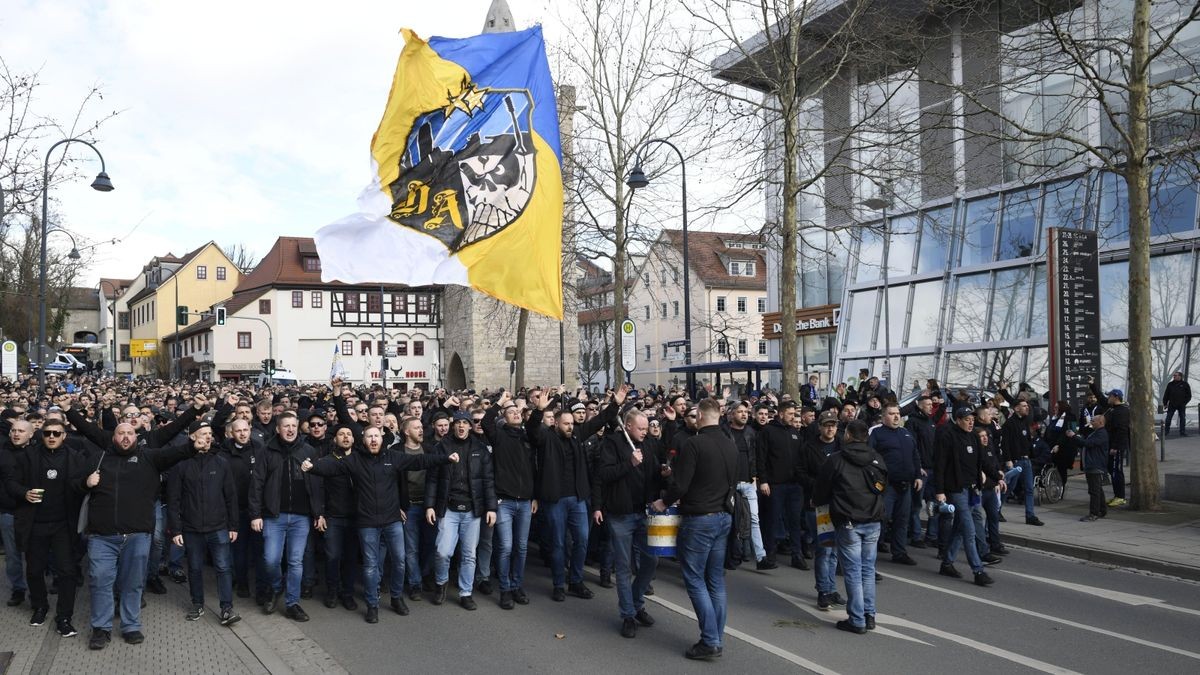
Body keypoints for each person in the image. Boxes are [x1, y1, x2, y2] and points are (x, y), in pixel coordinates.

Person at [74, 416, 203, 650]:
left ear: (137, 437)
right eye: (121, 433)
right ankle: (101, 628)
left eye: (130, 433)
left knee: (132, 583)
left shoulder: (149, 458)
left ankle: (130, 625)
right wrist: (86, 483)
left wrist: (193, 446)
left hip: (137, 536)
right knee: (100, 581)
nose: (125, 437)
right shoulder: (98, 458)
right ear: (113, 438)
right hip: (102, 537)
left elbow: (175, 454)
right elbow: (74, 485)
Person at [303, 425, 454, 622]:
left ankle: (396, 598)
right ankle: (372, 604)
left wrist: (445, 458)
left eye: (376, 436)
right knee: (370, 566)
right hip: (367, 523)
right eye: (369, 437)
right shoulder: (354, 460)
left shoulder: (393, 457)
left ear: (382, 439)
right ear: (364, 440)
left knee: (400, 562)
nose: (373, 440)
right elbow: (332, 467)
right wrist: (312, 467)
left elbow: (419, 460)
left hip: (392, 520)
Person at [652, 398, 736, 661]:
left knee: (695, 579)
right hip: (723, 516)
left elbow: (681, 485)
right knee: (715, 581)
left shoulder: (695, 444)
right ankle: (716, 638)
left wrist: (662, 501)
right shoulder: (730, 443)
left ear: (699, 415)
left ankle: (710, 640)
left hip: (700, 518)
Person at [527, 385, 625, 602]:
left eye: (572, 424)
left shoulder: (577, 436)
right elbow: (532, 430)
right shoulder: (546, 438)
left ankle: (576, 581)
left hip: (578, 498)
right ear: (556, 424)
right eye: (566, 424)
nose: (571, 427)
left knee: (581, 539)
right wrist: (538, 411)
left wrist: (616, 404)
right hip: (555, 499)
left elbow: (598, 422)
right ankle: (558, 584)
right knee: (559, 543)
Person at [5, 418, 88, 637]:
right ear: (41, 435)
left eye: (56, 433)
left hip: (63, 525)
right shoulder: (28, 456)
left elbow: (81, 486)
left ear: (64, 436)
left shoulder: (75, 458)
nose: (51, 437)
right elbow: (11, 482)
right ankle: (40, 606)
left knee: (67, 572)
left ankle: (64, 616)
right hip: (35, 524)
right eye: (47, 433)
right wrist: (24, 493)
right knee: (33, 570)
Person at [812, 420, 887, 634]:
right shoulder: (877, 459)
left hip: (848, 520)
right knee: (867, 569)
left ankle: (857, 619)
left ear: (848, 436)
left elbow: (821, 489)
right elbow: (883, 487)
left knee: (853, 570)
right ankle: (869, 614)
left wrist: (818, 502)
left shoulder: (836, 460)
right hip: (873, 519)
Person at [249, 412, 324, 622]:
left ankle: (292, 603)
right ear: (278, 429)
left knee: (295, 562)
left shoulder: (309, 450)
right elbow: (257, 484)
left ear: (299, 427)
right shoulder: (267, 451)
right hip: (274, 515)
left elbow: (317, 484)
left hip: (301, 517)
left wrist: (319, 513)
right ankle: (276, 586)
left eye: (293, 426)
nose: (290, 430)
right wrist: (256, 514)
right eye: (286, 426)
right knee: (271, 560)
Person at [166, 421, 241, 626]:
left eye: (210, 433)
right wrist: (176, 529)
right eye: (203, 433)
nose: (208, 437)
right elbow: (173, 500)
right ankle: (197, 603)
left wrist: (233, 526)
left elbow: (230, 497)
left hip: (218, 527)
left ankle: (227, 608)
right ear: (192, 437)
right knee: (195, 569)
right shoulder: (180, 464)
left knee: (224, 568)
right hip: (191, 529)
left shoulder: (221, 462)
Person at [597, 409, 662, 639]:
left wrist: (663, 473)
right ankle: (627, 614)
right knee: (624, 567)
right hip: (620, 515)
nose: (645, 432)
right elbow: (604, 474)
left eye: (646, 429)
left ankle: (636, 602)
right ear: (627, 426)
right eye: (641, 429)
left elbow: (653, 472)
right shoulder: (612, 443)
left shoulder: (649, 444)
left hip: (644, 512)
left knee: (651, 559)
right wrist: (629, 463)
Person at [425, 412, 495, 610]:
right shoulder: (442, 447)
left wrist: (491, 508)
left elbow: (488, 481)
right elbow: (432, 479)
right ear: (452, 426)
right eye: (458, 423)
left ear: (471, 426)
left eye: (465, 423)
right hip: (448, 509)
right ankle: (441, 584)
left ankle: (466, 592)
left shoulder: (480, 449)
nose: (462, 427)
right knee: (442, 551)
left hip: (473, 510)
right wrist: (430, 505)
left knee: (468, 555)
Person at [479, 391, 538, 609]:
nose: (515, 414)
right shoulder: (499, 435)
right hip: (504, 501)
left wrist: (534, 497)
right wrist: (500, 402)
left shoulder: (527, 437)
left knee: (521, 547)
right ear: (504, 416)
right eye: (510, 412)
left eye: (518, 412)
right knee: (505, 546)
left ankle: (516, 585)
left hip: (525, 501)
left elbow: (534, 468)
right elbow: (486, 421)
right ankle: (504, 588)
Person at [933, 407, 994, 588]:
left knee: (960, 527)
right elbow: (940, 464)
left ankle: (947, 563)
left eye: (972, 419)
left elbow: (982, 461)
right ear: (958, 419)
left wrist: (997, 476)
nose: (971, 422)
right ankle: (978, 570)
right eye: (967, 419)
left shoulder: (974, 436)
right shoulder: (948, 435)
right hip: (956, 489)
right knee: (969, 529)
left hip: (973, 488)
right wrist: (939, 490)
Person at [755, 400, 808, 571]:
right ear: (781, 413)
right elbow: (761, 457)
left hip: (794, 485)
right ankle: (770, 554)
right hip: (774, 485)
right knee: (772, 520)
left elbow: (801, 459)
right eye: (791, 414)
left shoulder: (795, 433)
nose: (794, 417)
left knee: (794, 521)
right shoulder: (768, 432)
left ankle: (797, 555)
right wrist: (763, 480)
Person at [867, 405, 921, 566]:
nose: (896, 417)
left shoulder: (906, 433)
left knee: (902, 520)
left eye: (898, 414)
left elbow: (914, 455)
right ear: (884, 417)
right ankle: (870, 554)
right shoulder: (876, 433)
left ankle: (899, 552)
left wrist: (917, 475)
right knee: (880, 520)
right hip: (886, 486)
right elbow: (870, 457)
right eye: (892, 414)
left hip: (906, 485)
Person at [1067, 414, 1109, 521]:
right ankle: (1102, 510)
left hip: (1095, 465)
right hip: (1092, 465)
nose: (1091, 423)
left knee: (1094, 491)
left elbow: (1088, 443)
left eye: (1093, 421)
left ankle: (1093, 514)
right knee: (1097, 489)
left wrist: (1074, 436)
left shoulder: (1101, 434)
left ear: (1100, 422)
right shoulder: (1096, 433)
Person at [1162, 372, 1191, 437]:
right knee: (1168, 418)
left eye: (1175, 375)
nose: (1174, 376)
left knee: (1182, 418)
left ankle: (1182, 432)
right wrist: (1165, 403)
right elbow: (1166, 395)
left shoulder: (1185, 384)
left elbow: (1189, 395)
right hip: (1172, 404)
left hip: (1181, 404)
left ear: (1180, 376)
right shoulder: (1170, 384)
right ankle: (1166, 432)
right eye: (1174, 375)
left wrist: (1184, 402)